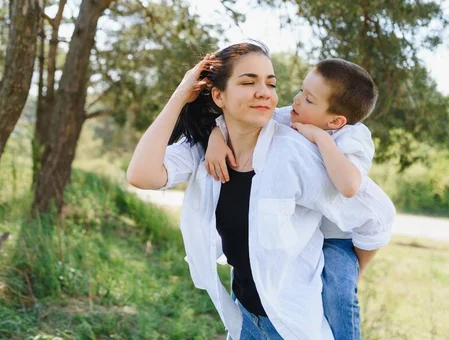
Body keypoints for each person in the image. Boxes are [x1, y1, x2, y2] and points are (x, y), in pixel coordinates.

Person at [126, 42, 395, 339]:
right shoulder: (205, 147)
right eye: (248, 81)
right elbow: (142, 174)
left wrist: (348, 276)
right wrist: (181, 95)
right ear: (219, 95)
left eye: (271, 83)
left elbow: (376, 216)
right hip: (243, 321)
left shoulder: (296, 151)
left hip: (292, 325)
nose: (264, 92)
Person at [205, 58, 382, 339]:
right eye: (301, 90)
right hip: (303, 233)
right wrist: (217, 135)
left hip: (338, 238)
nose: (297, 100)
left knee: (339, 294)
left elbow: (348, 186)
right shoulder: (294, 115)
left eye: (309, 99)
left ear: (335, 121)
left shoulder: (353, 136)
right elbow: (245, 121)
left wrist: (320, 137)